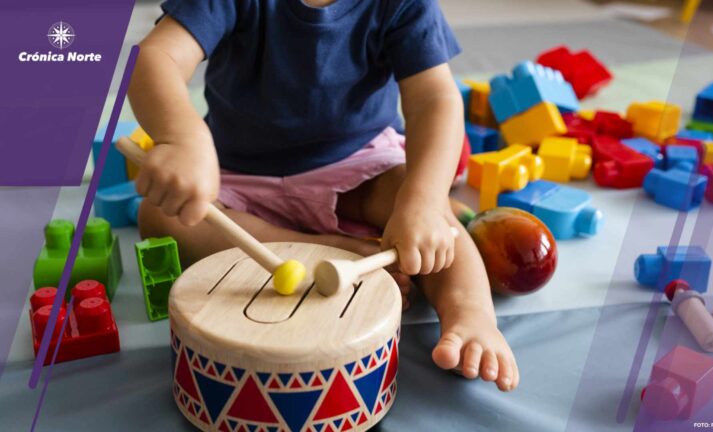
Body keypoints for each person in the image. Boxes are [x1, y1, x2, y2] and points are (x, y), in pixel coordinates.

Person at [128, 0, 519, 391]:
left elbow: (433, 99)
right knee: (162, 217)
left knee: (430, 217)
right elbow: (156, 56)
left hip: (358, 163)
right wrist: (182, 138)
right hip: (236, 170)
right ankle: (332, 251)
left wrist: (425, 199)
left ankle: (469, 315)